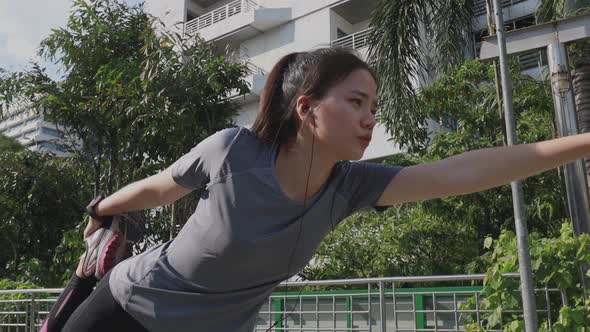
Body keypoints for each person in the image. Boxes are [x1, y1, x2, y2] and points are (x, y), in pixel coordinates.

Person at [41, 47, 590, 331]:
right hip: (128, 309)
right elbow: (159, 189)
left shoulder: (350, 187)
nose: (370, 118)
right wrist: (99, 209)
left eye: (373, 107)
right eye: (355, 102)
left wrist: (582, 142)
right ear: (306, 107)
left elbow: (459, 171)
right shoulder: (234, 151)